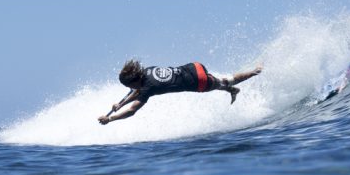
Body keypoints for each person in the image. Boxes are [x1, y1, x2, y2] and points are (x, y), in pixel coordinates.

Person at [98, 60, 262, 125]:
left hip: (198, 82)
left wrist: (110, 118)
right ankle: (231, 90)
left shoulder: (149, 88)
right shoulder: (147, 72)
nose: (129, 89)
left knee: (226, 81)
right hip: (194, 66)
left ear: (134, 80)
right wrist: (120, 104)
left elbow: (133, 111)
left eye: (129, 85)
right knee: (218, 82)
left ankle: (255, 72)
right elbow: (137, 91)